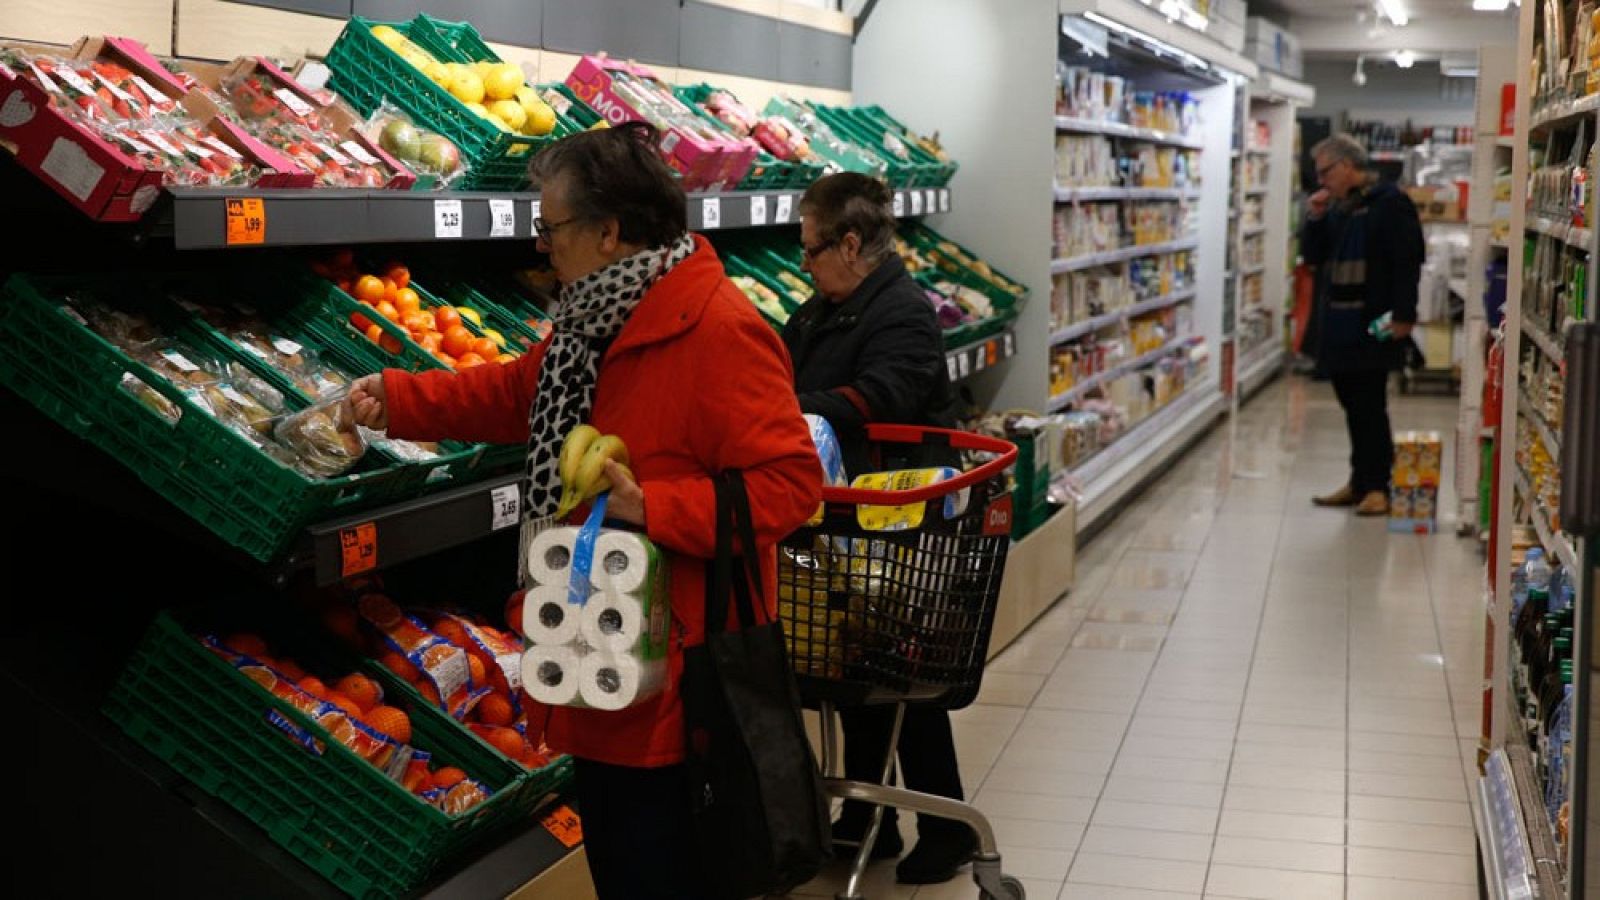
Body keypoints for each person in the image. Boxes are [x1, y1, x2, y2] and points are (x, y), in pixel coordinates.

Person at [346, 123, 823, 899]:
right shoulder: (585, 330)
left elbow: (790, 485)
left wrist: (653, 504)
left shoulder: (721, 331)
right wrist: (395, 398)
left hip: (676, 685)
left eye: (551, 227)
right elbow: (511, 393)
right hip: (590, 652)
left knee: (659, 871)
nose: (541, 246)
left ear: (608, 233)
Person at [780, 172, 974, 886]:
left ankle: (947, 827)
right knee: (852, 661)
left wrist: (791, 408)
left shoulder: (900, 311)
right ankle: (871, 818)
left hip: (900, 519)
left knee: (899, 667)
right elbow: (780, 361)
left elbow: (883, 394)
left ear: (850, 243)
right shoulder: (831, 306)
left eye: (810, 250)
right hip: (850, 513)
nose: (804, 263)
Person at [1301, 132, 1424, 515]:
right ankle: (1358, 481)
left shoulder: (1389, 204)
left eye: (1326, 172)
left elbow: (1408, 262)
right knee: (1351, 403)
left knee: (1370, 402)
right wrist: (1315, 218)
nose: (1322, 181)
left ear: (1349, 166)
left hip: (1374, 322)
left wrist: (1403, 316)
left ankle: (1378, 487)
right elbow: (1314, 257)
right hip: (1338, 322)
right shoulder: (1338, 208)